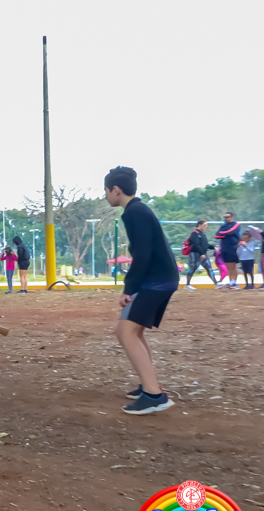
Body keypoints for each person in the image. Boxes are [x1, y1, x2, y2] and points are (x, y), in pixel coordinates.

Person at [104, 166, 176, 415]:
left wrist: (129, 288)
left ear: (116, 190)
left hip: (155, 281)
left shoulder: (133, 212)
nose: (106, 196)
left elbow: (142, 254)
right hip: (160, 278)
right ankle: (148, 385)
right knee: (134, 332)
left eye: (106, 191)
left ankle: (154, 395)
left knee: (125, 333)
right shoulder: (139, 209)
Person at [183, 220, 217, 290]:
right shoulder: (195, 234)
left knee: (209, 268)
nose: (206, 227)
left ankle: (216, 283)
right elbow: (196, 244)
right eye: (204, 225)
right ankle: (187, 284)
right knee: (192, 268)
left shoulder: (203, 234)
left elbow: (205, 245)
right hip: (195, 254)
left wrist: (213, 247)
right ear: (200, 225)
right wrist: (201, 253)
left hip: (203, 254)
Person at [215, 212, 241, 289]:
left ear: (232, 217)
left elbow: (230, 231)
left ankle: (234, 282)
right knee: (228, 265)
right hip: (224, 247)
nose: (225, 218)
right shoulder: (223, 226)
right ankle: (231, 282)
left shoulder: (236, 225)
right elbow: (216, 235)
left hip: (233, 247)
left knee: (233, 265)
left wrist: (222, 234)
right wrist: (224, 234)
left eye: (227, 217)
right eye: (225, 217)